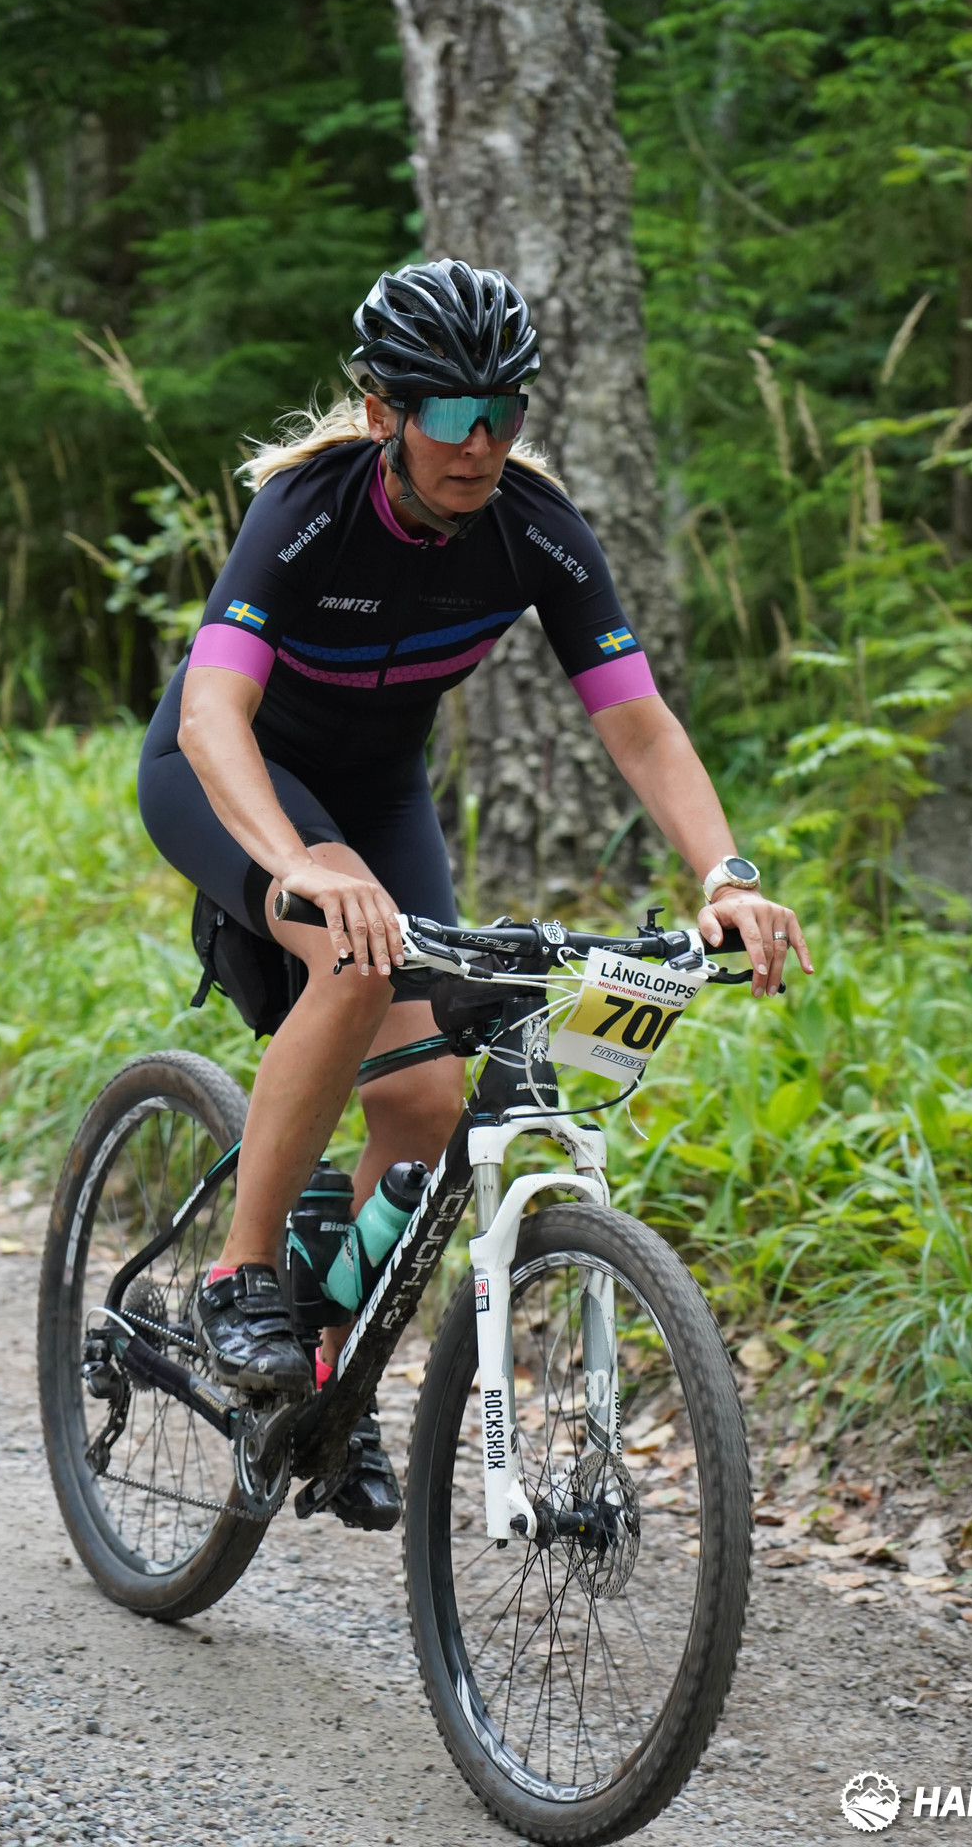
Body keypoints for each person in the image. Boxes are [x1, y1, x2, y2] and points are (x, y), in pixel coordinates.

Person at [137, 257, 813, 1526]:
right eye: (449, 412)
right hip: (230, 772)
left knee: (425, 1102)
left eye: (503, 410)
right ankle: (239, 1272)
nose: (479, 441)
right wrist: (296, 860)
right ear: (383, 411)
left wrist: (726, 875)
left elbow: (639, 725)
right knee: (353, 949)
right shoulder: (307, 509)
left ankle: (325, 1378)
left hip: (380, 790)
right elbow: (214, 711)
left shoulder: (536, 528)